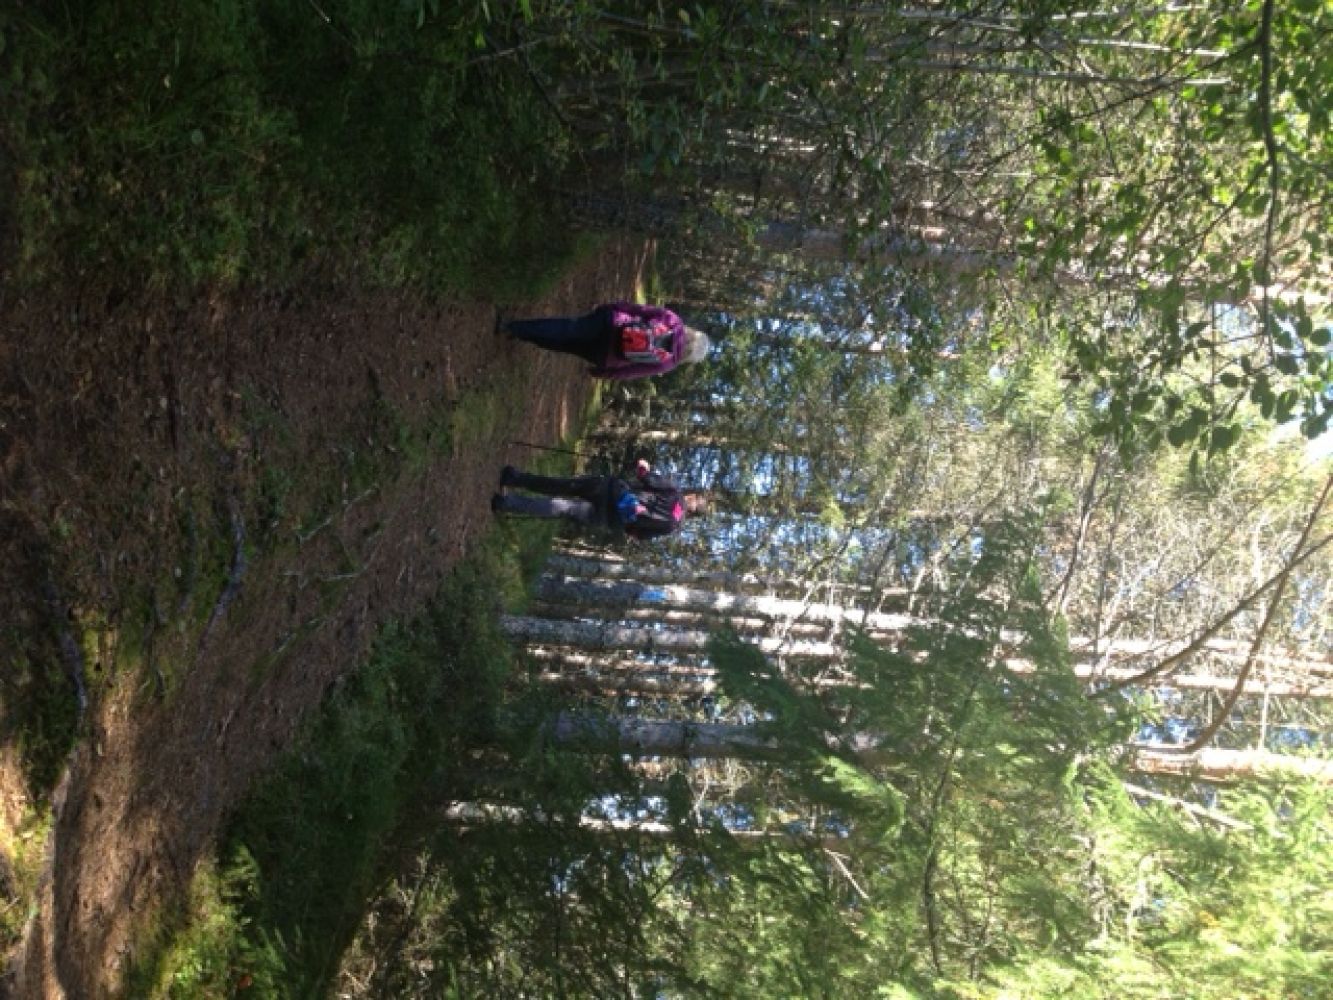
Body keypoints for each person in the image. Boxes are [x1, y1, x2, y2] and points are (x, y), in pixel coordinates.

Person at [491, 459, 706, 539]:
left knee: (563, 485)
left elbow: (645, 476)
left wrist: (643, 466)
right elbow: (638, 534)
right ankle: (506, 503)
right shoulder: (671, 527)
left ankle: (514, 478)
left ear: (692, 497)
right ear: (692, 515)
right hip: (609, 518)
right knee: (562, 507)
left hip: (611, 491)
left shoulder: (675, 492)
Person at [502, 302, 711, 380]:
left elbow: (638, 309)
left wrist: (610, 308)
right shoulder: (669, 362)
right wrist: (604, 373)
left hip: (611, 324)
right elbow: (633, 371)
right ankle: (521, 334)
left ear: (693, 333)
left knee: (567, 328)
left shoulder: (674, 321)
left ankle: (513, 327)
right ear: (689, 358)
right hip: (606, 355)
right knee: (565, 345)